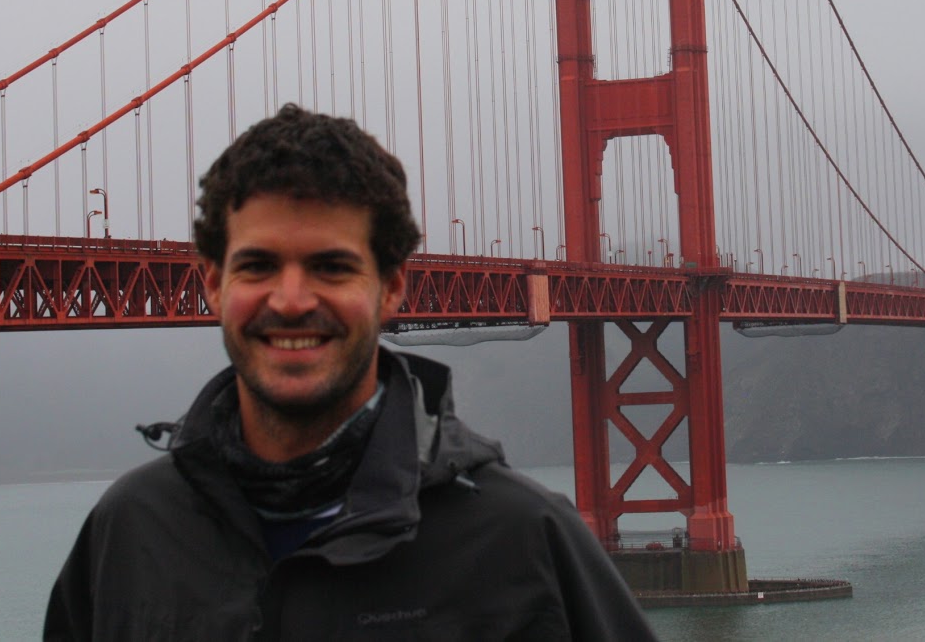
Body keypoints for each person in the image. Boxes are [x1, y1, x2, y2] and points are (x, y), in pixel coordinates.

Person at [44, 105, 658, 641]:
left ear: (391, 288)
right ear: (212, 283)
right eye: (257, 266)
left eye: (331, 267)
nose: (289, 300)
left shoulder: (525, 542)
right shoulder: (127, 531)